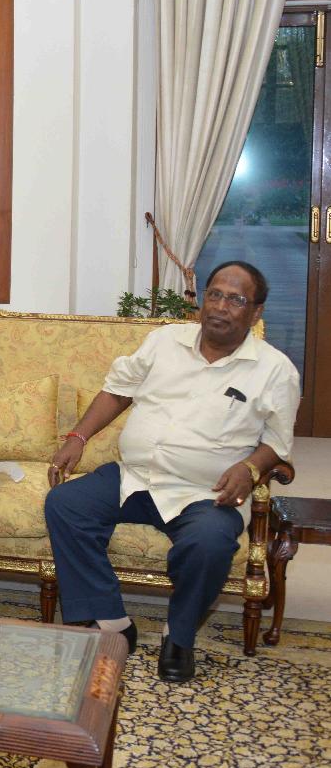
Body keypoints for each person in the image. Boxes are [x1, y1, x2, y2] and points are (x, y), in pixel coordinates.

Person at [44, 261, 299, 683]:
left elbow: (278, 442)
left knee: (211, 543)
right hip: (134, 478)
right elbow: (118, 390)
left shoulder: (275, 370)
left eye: (236, 300)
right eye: (214, 294)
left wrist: (251, 466)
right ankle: (111, 621)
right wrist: (78, 436)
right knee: (65, 503)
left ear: (256, 312)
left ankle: (179, 636)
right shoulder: (164, 340)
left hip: (205, 492)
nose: (220, 307)